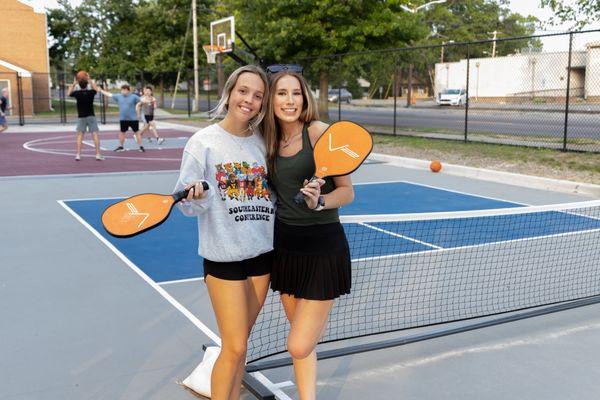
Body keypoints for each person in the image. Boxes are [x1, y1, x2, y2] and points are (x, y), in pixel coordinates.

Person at [174, 65, 273, 400]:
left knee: (241, 345)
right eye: (243, 91)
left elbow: (270, 195)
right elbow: (186, 205)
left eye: (258, 95)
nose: (249, 100)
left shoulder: (263, 143)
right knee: (234, 345)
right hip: (224, 260)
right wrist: (197, 198)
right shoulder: (202, 143)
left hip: (263, 257)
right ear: (229, 93)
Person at [263, 68, 354, 400]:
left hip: (322, 249)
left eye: (296, 93)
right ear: (271, 99)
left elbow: (346, 191)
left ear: (305, 97)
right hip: (285, 248)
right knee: (302, 345)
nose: (290, 100)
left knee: (298, 344)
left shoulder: (319, 133)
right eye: (282, 93)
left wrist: (321, 202)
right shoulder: (268, 140)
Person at [99, 84, 144, 152]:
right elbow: (109, 94)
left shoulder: (134, 96)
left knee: (137, 132)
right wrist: (101, 90)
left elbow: (142, 100)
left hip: (133, 119)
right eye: (122, 90)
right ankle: (121, 146)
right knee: (122, 132)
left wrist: (145, 101)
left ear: (128, 90)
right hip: (123, 119)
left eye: (124, 90)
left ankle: (141, 146)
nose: (122, 91)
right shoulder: (118, 96)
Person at [68, 76, 103, 161]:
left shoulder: (77, 93)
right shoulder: (91, 92)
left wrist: (73, 84)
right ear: (87, 85)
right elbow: (96, 89)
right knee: (95, 134)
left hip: (81, 117)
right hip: (91, 116)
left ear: (79, 85)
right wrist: (90, 80)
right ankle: (98, 154)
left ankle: (78, 155)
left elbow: (68, 94)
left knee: (80, 136)